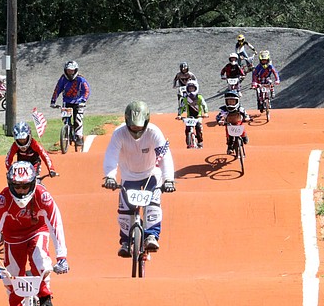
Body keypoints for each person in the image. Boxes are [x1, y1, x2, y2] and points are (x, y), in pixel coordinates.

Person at [0, 161, 69, 306]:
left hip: (37, 230)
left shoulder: (43, 196)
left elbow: (56, 224)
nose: (21, 191)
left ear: (33, 183)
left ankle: (44, 295)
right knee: (12, 273)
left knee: (41, 261)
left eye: (25, 186)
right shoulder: (3, 199)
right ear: (10, 185)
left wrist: (62, 258)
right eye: (17, 186)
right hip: (13, 236)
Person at [103, 101, 176, 256]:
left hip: (151, 175)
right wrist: (110, 177)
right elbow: (111, 156)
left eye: (139, 127)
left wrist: (168, 179)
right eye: (132, 127)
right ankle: (125, 241)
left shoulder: (154, 132)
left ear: (147, 121)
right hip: (129, 175)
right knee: (125, 210)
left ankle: (151, 236)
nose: (136, 130)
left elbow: (164, 157)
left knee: (153, 205)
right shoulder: (119, 133)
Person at [50, 60, 90, 149]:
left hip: (78, 103)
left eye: (72, 70)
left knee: (78, 119)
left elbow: (87, 90)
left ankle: (79, 136)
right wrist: (53, 101)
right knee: (65, 119)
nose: (70, 73)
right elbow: (57, 90)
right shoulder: (63, 79)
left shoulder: (81, 79)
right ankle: (66, 132)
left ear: (75, 70)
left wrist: (83, 100)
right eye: (68, 70)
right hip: (66, 102)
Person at [177, 79, 209, 148]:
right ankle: (188, 142)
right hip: (189, 117)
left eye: (192, 88)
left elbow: (204, 105)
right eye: (190, 88)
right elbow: (182, 107)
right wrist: (179, 115)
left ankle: (200, 142)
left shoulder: (199, 97)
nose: (191, 90)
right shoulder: (186, 98)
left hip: (198, 116)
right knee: (187, 129)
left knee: (198, 128)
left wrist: (205, 113)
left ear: (196, 88)